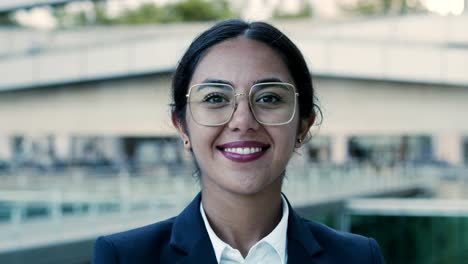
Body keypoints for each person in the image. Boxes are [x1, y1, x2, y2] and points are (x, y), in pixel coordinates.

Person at [92, 19, 385, 264]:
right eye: (216, 98)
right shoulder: (125, 257)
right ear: (182, 126)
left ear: (303, 126)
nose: (243, 121)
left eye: (269, 98)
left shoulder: (358, 257)